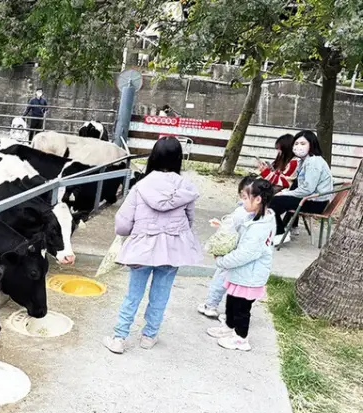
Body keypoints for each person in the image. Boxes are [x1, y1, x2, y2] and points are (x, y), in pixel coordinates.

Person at [103, 137, 202, 354]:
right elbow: (190, 219)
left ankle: (119, 337)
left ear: (153, 157)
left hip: (142, 248)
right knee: (161, 293)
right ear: (178, 159)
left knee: (133, 294)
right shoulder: (185, 187)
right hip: (172, 250)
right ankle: (149, 335)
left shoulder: (141, 186)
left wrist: (128, 233)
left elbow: (122, 223)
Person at [207, 179, 276, 351]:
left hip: (250, 275)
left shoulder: (259, 228)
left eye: (245, 198)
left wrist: (222, 261)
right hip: (241, 273)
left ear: (258, 199)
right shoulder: (255, 218)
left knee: (242, 308)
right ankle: (229, 327)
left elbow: (245, 254)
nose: (242, 202)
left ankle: (241, 338)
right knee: (231, 301)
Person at [197, 175, 256, 318]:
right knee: (238, 283)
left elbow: (227, 231)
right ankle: (233, 311)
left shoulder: (241, 211)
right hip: (245, 254)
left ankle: (211, 305)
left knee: (221, 277)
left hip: (231, 251)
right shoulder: (261, 213)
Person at [269, 130, 334, 242]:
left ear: (312, 145)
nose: (299, 147)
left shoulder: (313, 162)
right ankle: (279, 229)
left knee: (274, 203)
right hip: (310, 198)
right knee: (273, 201)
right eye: (296, 143)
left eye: (303, 144)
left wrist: (285, 193)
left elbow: (307, 189)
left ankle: (280, 233)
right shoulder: (304, 161)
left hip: (316, 202)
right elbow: (300, 183)